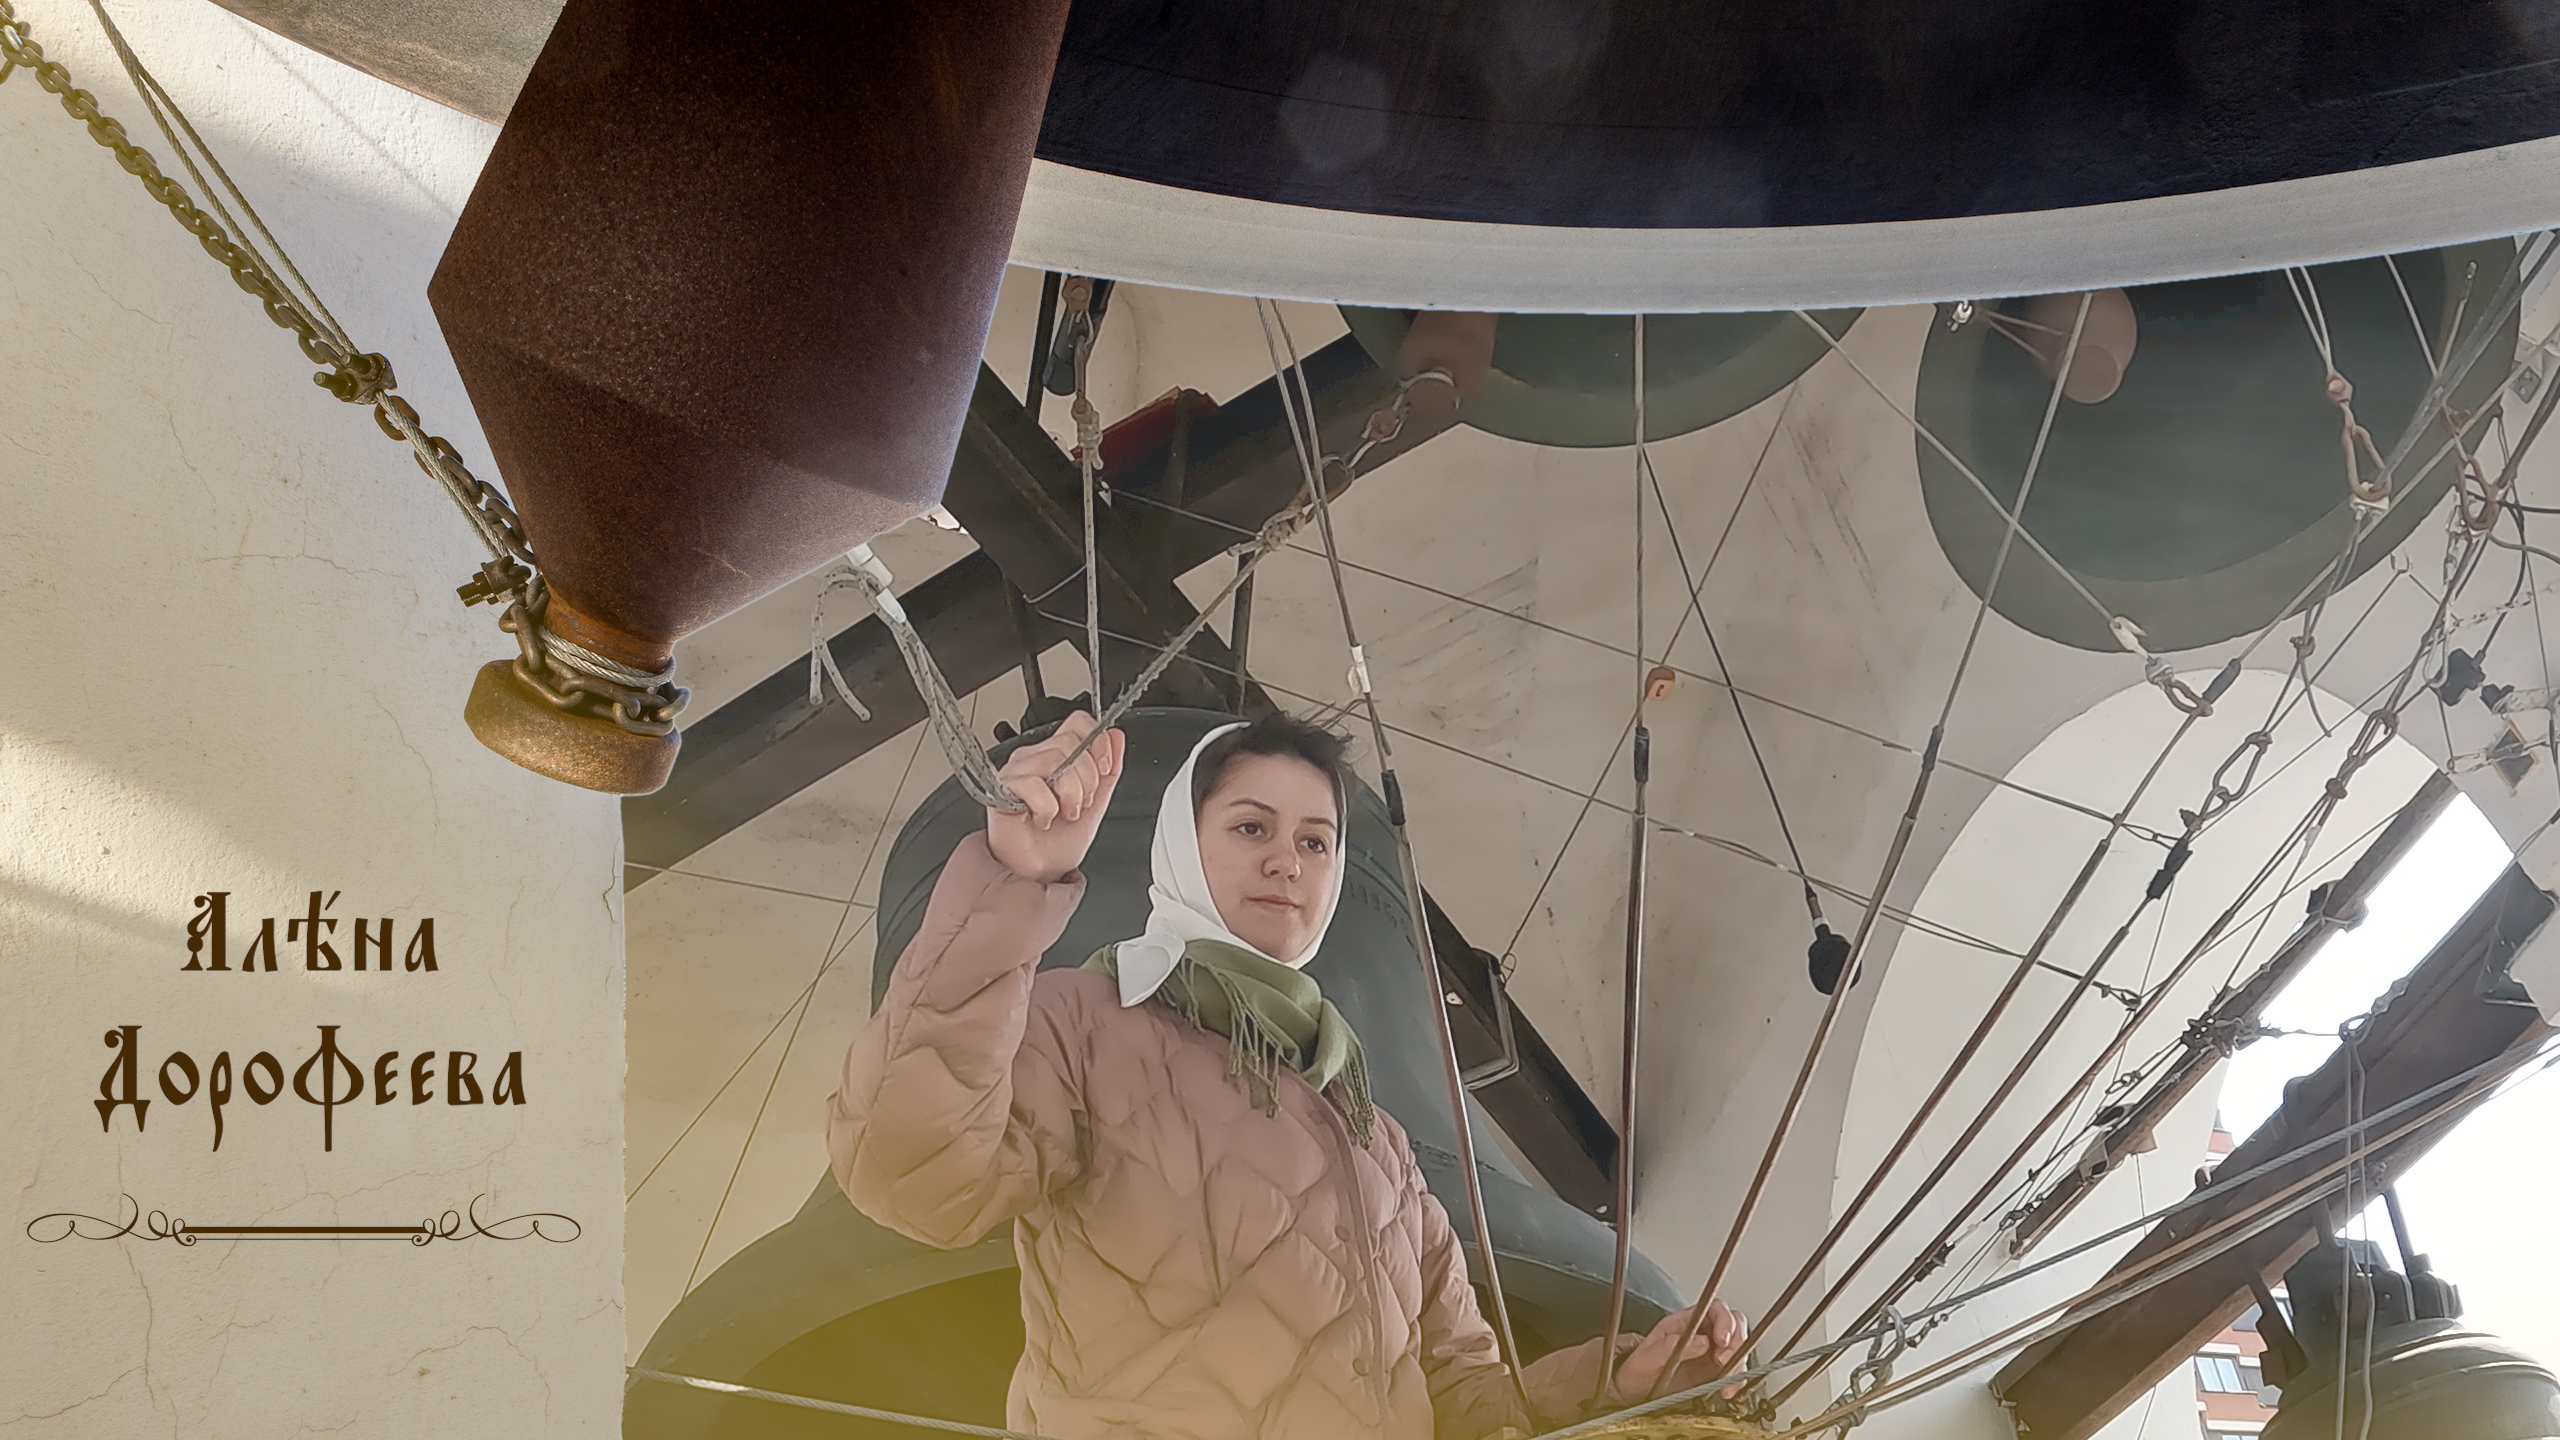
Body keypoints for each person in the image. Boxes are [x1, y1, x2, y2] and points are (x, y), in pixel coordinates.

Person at [828, 710, 1745, 1440]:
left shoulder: (1377, 1143)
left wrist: (1620, 1379)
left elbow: (1464, 1401)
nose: (1286, 861)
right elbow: (913, 1176)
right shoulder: (1087, 1022)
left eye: (1316, 841)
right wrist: (1009, 878)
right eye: (1250, 826)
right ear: (1181, 845)